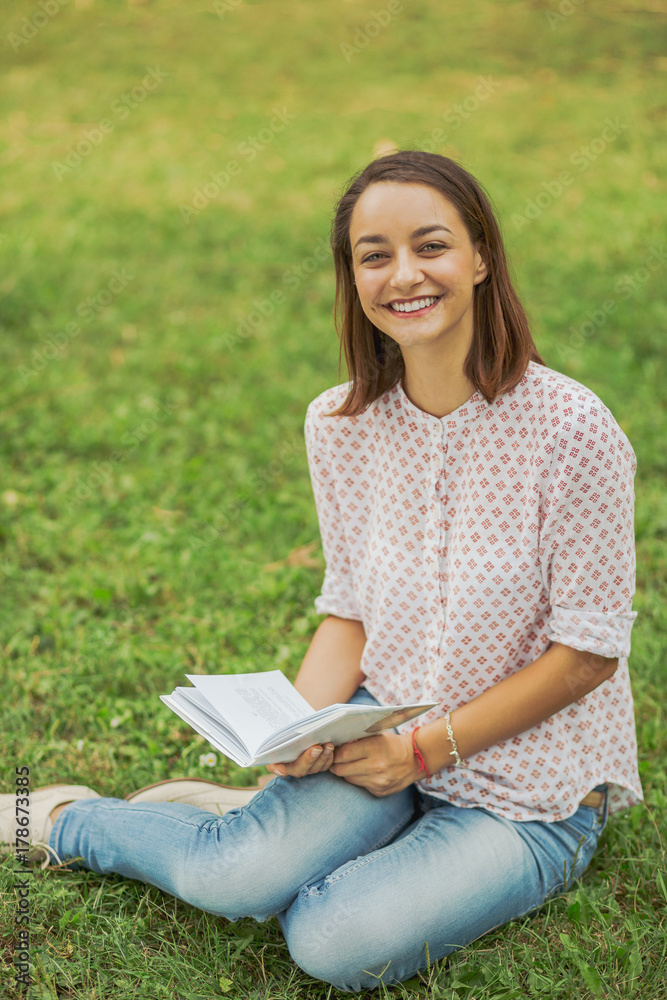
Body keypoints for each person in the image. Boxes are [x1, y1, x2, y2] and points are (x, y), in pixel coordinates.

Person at [1, 151, 643, 992]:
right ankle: (64, 817)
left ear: (481, 256)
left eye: (431, 246)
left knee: (333, 940)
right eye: (374, 254)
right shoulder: (340, 423)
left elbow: (587, 654)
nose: (403, 275)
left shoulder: (573, 430)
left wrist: (421, 757)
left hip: (531, 789)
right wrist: (297, 735)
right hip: (381, 726)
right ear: (352, 275)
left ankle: (260, 835)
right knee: (233, 880)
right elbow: (349, 611)